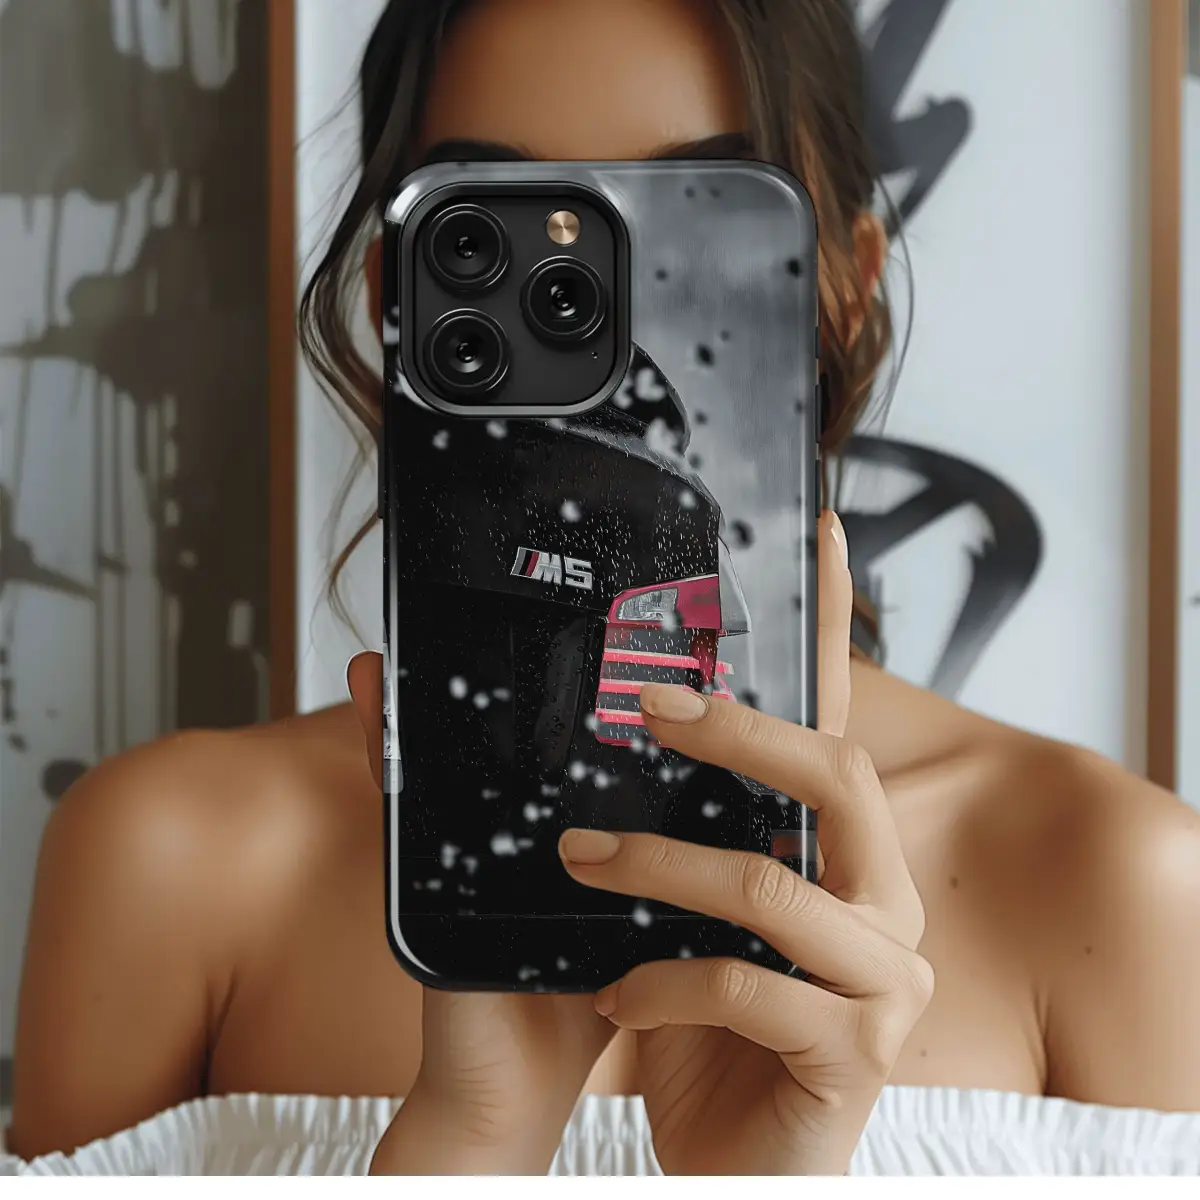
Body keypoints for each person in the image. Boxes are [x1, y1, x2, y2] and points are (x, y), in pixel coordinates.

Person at [8, 0, 1200, 1177]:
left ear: (844, 289)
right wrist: (474, 1142)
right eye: (495, 229)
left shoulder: (1116, 885)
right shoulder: (171, 866)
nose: (608, 320)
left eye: (701, 217)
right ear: (395, 297)